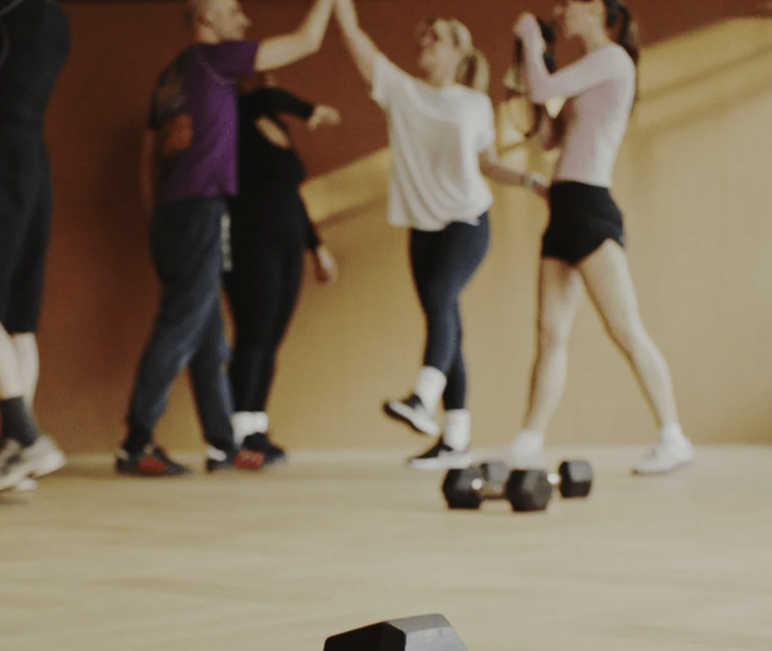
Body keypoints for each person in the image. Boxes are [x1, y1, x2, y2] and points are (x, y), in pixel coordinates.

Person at [117, 0, 335, 477]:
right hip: (200, 209)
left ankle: (223, 444)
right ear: (206, 17)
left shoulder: (172, 74)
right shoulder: (214, 60)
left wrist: (156, 214)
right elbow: (306, 42)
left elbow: (148, 152)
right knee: (179, 326)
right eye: (233, 10)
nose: (245, 20)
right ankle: (136, 443)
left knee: (209, 339)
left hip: (174, 212)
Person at [333, 0, 546, 470]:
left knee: (442, 295)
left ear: (456, 50)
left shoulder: (473, 103)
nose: (423, 46)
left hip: (468, 222)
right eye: (421, 40)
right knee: (445, 319)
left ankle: (423, 397)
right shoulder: (400, 91)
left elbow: (488, 164)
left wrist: (531, 181)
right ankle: (455, 441)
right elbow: (355, 38)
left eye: (434, 40)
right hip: (423, 229)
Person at [510, 0, 694, 475]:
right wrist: (533, 85)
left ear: (596, 9)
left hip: (591, 208)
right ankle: (527, 441)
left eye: (567, 4)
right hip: (563, 207)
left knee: (625, 329)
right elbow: (550, 139)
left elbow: (544, 84)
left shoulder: (612, 60)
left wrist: (531, 36)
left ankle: (673, 437)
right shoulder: (585, 71)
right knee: (549, 334)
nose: (557, 11)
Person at [224, 73, 340, 466]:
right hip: (251, 241)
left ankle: (255, 427)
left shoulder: (280, 127)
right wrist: (311, 110)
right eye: (263, 74)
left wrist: (317, 246)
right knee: (254, 331)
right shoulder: (236, 118)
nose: (272, 81)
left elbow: (293, 195)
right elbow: (266, 96)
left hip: (288, 242)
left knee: (273, 335)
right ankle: (238, 431)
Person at [0, 0, 70, 494]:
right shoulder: (55, 17)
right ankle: (14, 453)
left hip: (3, 150)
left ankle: (24, 437)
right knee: (20, 317)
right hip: (33, 157)